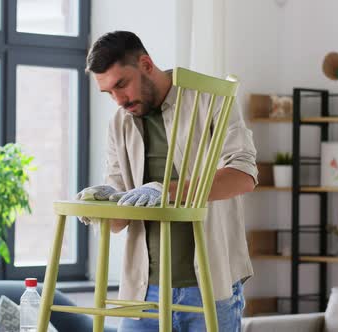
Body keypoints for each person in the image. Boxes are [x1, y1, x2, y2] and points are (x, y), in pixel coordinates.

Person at [78, 31, 258, 331]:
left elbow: (244, 177)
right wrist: (104, 203)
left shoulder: (210, 99)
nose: (119, 100)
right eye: (108, 92)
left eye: (122, 84)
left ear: (146, 64)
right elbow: (118, 224)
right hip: (142, 292)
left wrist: (166, 191)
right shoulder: (119, 123)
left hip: (209, 287)